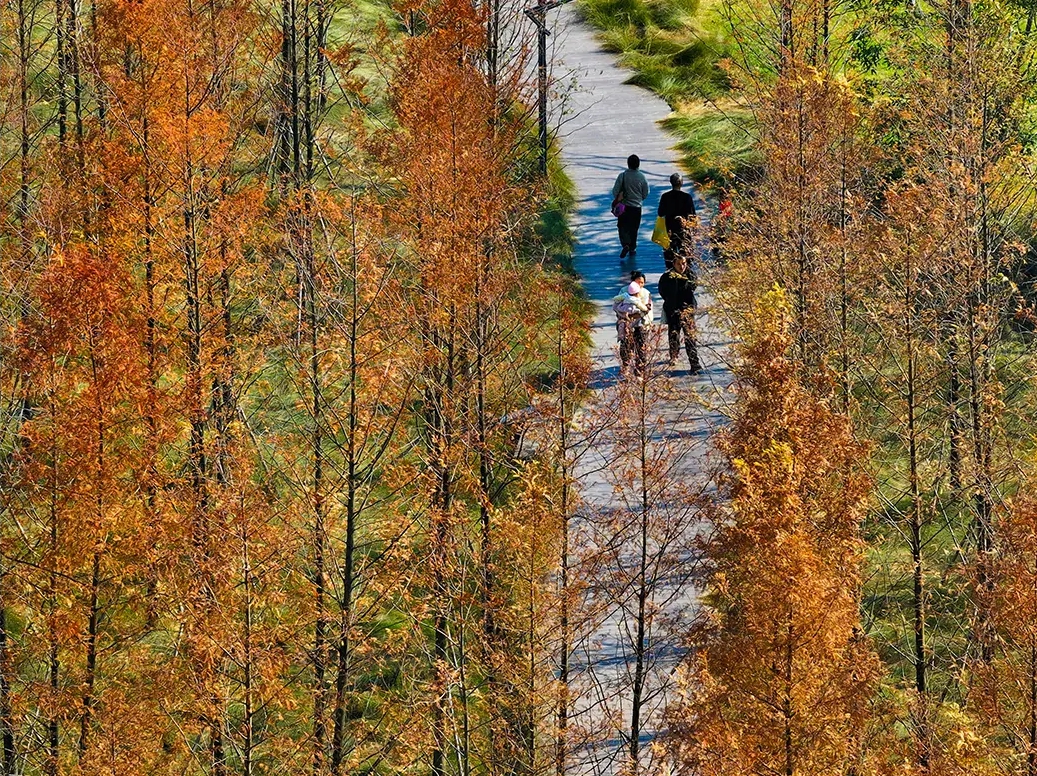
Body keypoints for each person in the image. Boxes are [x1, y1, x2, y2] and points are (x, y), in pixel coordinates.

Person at [658, 254, 701, 372]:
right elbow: (662, 291)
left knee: (690, 337)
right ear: (674, 264)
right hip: (673, 310)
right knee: (673, 335)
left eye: (684, 263)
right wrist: (670, 301)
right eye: (679, 264)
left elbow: (693, 286)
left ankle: (694, 363)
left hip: (688, 310)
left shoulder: (690, 274)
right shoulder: (667, 277)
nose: (682, 266)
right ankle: (674, 355)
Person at [612, 271, 653, 377]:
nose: (640, 285)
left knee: (641, 347)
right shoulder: (624, 291)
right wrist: (624, 315)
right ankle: (625, 366)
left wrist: (638, 314)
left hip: (641, 323)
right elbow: (616, 305)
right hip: (626, 323)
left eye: (642, 283)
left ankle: (639, 370)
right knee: (625, 346)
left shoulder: (646, 293)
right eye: (638, 282)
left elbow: (647, 309)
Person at [611, 155, 650, 260]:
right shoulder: (642, 177)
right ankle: (632, 247)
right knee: (634, 228)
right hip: (636, 207)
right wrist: (639, 198)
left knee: (622, 227)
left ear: (628, 164)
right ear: (638, 164)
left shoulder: (622, 176)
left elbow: (615, 191)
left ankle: (625, 244)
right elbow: (646, 192)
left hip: (623, 207)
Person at [657, 172, 696, 269]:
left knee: (669, 251)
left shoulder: (665, 197)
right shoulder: (687, 197)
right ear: (682, 183)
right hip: (684, 229)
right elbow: (692, 215)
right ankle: (685, 267)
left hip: (670, 229)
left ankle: (670, 268)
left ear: (671, 183)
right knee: (685, 249)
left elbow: (660, 213)